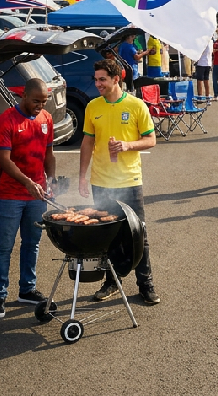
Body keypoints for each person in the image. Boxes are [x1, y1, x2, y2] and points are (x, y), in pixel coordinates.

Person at [78, 58, 161, 305]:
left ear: (117, 79)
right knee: (109, 235)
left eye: (102, 79)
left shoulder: (136, 106)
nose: (98, 84)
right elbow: (87, 143)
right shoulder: (93, 106)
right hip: (101, 182)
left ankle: (145, 283)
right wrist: (82, 176)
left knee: (138, 235)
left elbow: (151, 140)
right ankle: (113, 282)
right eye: (96, 79)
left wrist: (127, 145)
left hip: (129, 181)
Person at [0, 78, 55, 319]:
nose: (40, 105)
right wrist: (28, 182)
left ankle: (27, 289)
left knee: (32, 242)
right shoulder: (5, 120)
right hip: (10, 195)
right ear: (23, 95)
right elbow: (4, 161)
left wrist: (52, 179)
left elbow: (49, 154)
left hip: (37, 194)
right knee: (4, 246)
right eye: (36, 100)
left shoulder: (46, 119)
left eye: (44, 101)